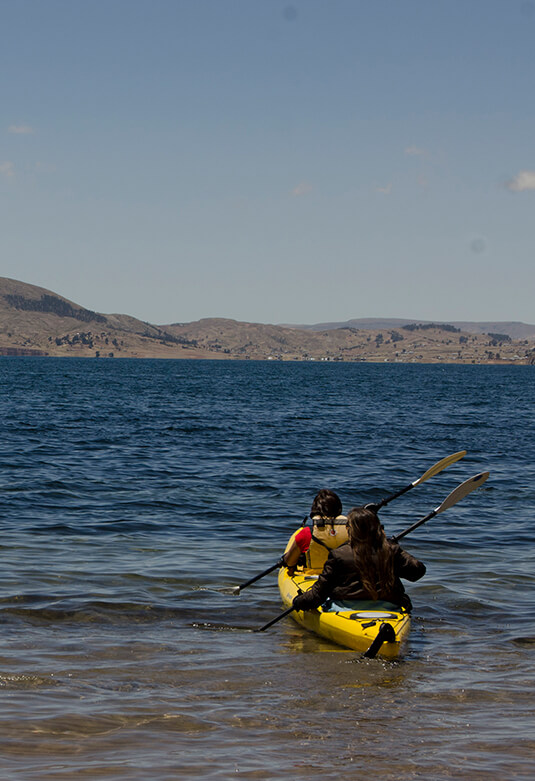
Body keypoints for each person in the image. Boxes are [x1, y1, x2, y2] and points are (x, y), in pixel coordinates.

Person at [292, 505, 426, 612]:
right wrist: (389, 544)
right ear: (377, 528)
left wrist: (298, 601)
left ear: (352, 529)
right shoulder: (391, 550)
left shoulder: (338, 555)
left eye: (347, 526)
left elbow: (318, 595)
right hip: (390, 607)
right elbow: (417, 572)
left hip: (346, 609)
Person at [283, 489, 345, 573]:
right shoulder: (352, 531)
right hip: (346, 576)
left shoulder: (307, 533)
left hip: (315, 577)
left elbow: (289, 562)